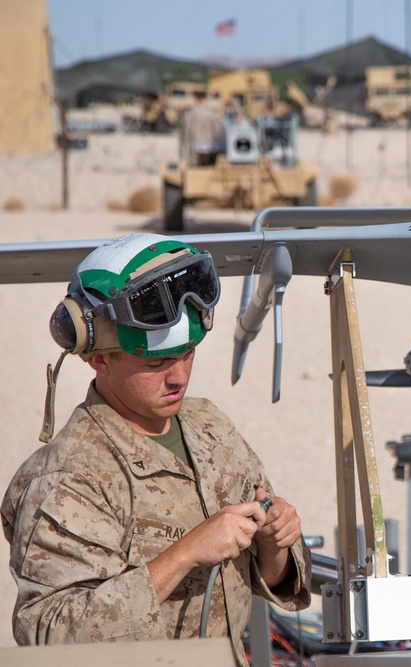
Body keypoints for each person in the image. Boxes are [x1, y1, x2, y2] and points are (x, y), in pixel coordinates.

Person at [1, 234, 311, 664]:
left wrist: (275, 545)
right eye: (155, 364)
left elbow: (271, 578)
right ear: (100, 360)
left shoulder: (210, 427)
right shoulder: (67, 476)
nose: (178, 377)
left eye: (187, 354)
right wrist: (184, 554)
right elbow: (51, 635)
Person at [184, 89, 225, 166]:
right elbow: (217, 132)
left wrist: (187, 157)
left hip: (195, 152)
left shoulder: (190, 115)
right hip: (210, 150)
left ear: (196, 99)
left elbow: (187, 136)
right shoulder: (212, 114)